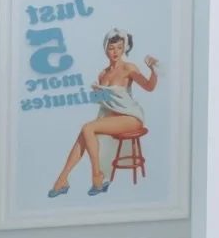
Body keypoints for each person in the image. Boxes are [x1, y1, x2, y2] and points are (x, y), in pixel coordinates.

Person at [48, 30, 159, 197]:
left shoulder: (128, 68)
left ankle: (96, 175)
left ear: (124, 48)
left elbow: (149, 87)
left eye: (119, 48)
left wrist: (153, 70)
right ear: (105, 49)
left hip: (132, 118)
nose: (115, 52)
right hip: (115, 118)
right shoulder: (102, 74)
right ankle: (63, 178)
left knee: (87, 128)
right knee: (84, 132)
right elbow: (106, 104)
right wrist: (97, 94)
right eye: (111, 48)